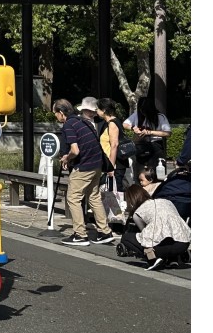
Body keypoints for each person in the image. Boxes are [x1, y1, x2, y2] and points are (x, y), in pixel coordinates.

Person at [52, 99, 114, 246]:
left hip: (84, 166)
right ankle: (104, 231)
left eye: (55, 113)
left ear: (61, 113)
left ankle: (80, 234)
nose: (56, 116)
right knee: (94, 196)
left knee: (73, 197)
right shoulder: (82, 121)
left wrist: (67, 158)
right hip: (97, 164)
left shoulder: (68, 125)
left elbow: (75, 150)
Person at [118, 184, 190, 271]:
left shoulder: (138, 212)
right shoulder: (167, 202)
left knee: (126, 238)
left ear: (131, 200)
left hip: (160, 249)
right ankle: (172, 260)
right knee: (170, 233)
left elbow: (145, 234)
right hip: (183, 244)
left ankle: (153, 258)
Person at [125, 99, 172, 177]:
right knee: (139, 171)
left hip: (155, 145)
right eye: (141, 110)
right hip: (140, 146)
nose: (143, 113)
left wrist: (150, 132)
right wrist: (133, 128)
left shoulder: (160, 117)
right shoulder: (137, 114)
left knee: (156, 171)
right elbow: (125, 124)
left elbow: (167, 133)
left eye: (144, 110)